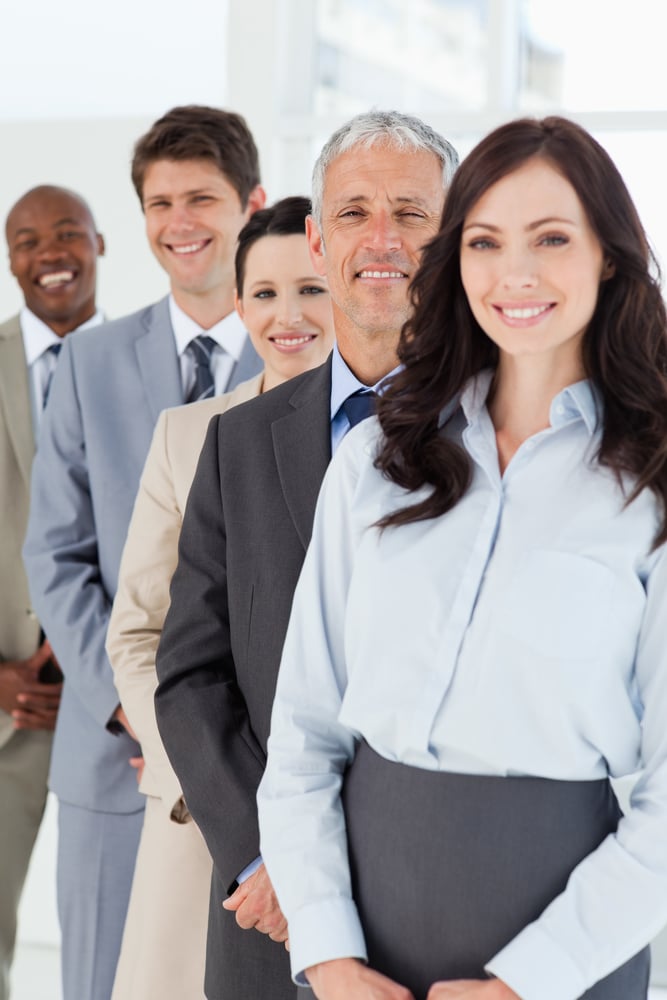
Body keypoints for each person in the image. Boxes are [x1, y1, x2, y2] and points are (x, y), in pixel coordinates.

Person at [257, 114, 667, 1000]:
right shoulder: (375, 463)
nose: (514, 273)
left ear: (608, 255)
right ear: (456, 263)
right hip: (357, 945)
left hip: (564, 955)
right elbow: (302, 735)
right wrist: (326, 956)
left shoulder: (653, 487)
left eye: (550, 238)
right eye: (484, 241)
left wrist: (528, 983)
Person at [154, 110, 458, 1000]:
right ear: (317, 242)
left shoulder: (503, 436)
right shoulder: (235, 444)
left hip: (435, 911)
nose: (382, 238)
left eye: (411, 213)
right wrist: (277, 855)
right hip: (268, 914)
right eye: (354, 213)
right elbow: (192, 675)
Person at [22, 106, 265, 1000]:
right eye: (159, 203)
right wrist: (134, 709)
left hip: (251, 756)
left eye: (200, 197)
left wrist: (207, 730)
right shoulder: (88, 362)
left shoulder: (302, 360)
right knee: (98, 982)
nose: (180, 222)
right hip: (112, 755)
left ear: (252, 204)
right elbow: (56, 553)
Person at [105, 195, 334, 1000]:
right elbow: (138, 632)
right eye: (264, 294)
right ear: (238, 306)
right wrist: (201, 768)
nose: (288, 315)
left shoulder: (394, 435)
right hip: (207, 813)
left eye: (311, 289)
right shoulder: (191, 433)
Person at [0, 184, 104, 1000]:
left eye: (69, 233)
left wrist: (96, 658)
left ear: (100, 244)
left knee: (113, 938)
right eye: (29, 241)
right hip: (8, 710)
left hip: (116, 705)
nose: (51, 254)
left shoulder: (156, 361)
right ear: (11, 261)